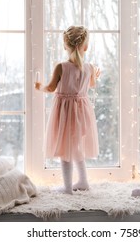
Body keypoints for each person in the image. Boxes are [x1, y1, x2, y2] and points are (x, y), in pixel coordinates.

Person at [35, 25, 100, 194]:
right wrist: (95, 77)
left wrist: (38, 86)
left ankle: (67, 187)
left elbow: (50, 88)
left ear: (65, 46)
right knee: (76, 146)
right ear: (86, 46)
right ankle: (83, 181)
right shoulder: (90, 67)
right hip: (82, 112)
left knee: (65, 148)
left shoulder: (61, 67)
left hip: (65, 113)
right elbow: (91, 85)